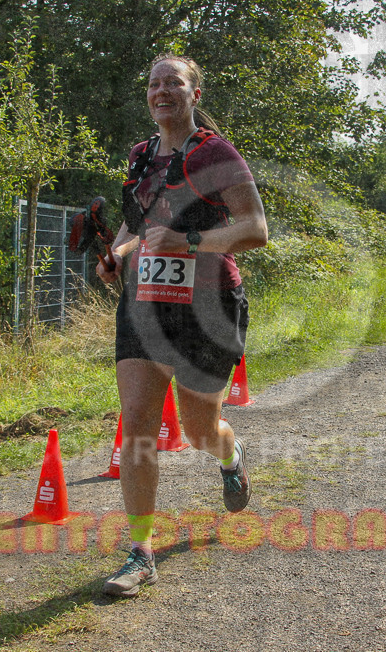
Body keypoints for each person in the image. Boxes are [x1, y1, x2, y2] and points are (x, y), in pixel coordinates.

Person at [95, 53, 268, 597]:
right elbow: (140, 222)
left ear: (195, 93)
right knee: (138, 419)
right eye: (154, 84)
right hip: (145, 303)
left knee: (198, 430)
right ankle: (140, 551)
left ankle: (230, 455)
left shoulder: (215, 153)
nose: (161, 90)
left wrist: (188, 243)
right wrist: (120, 252)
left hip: (207, 307)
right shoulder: (141, 155)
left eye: (174, 83)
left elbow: (256, 229)